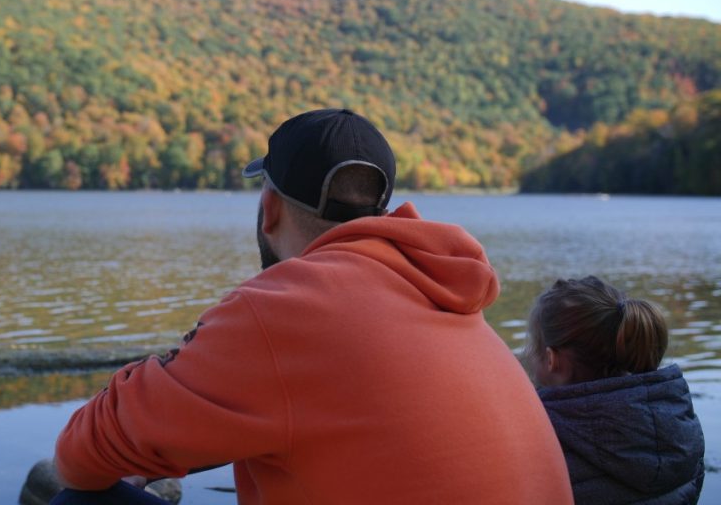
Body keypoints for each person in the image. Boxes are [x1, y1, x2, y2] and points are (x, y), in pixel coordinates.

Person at [52, 108, 573, 504]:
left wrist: (170, 393)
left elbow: (79, 454)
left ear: (270, 207)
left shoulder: (280, 311)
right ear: (383, 213)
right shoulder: (447, 295)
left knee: (74, 497)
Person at [523, 276, 706, 505]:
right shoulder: (682, 430)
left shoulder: (538, 445)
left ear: (551, 360)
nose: (527, 354)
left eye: (531, 345)